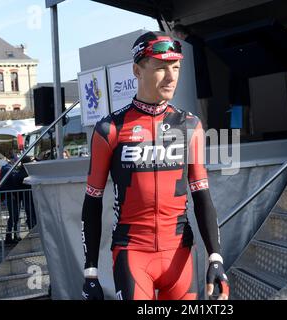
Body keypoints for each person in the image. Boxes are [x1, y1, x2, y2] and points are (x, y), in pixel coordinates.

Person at [81, 31, 229, 300]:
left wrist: (215, 256)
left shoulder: (190, 125)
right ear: (137, 70)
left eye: (176, 67)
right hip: (132, 253)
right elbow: (92, 200)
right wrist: (90, 271)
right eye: (161, 68)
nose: (171, 77)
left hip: (180, 254)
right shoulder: (109, 128)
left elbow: (202, 194)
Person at [172, 24, 213, 130]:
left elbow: (197, 66)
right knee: (201, 118)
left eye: (174, 35)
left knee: (200, 119)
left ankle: (204, 143)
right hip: (200, 88)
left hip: (198, 88)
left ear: (179, 34)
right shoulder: (193, 44)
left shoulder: (190, 45)